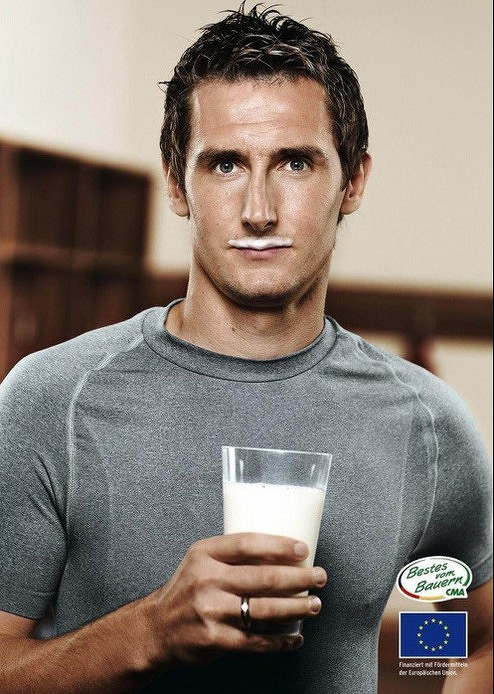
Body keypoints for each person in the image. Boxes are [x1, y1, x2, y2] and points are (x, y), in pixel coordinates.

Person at [0, 5, 492, 693]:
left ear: (352, 181)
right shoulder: (52, 401)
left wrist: (426, 660)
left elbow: (475, 638)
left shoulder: (426, 422)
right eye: (226, 164)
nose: (259, 210)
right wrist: (149, 633)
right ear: (178, 183)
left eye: (295, 162)